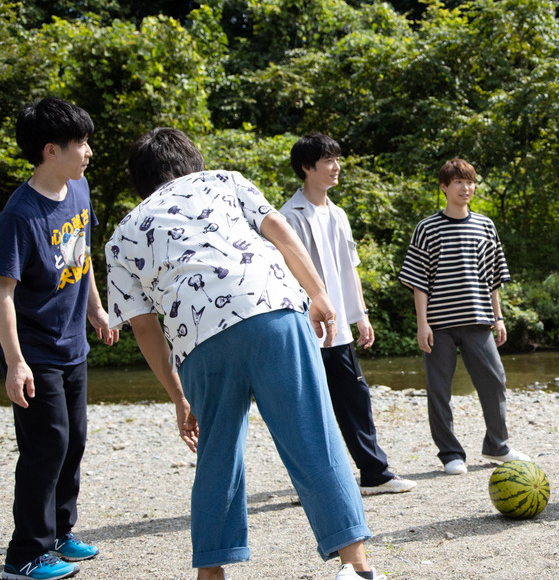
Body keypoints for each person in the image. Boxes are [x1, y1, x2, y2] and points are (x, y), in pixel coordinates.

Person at [104, 127, 380, 580]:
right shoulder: (224, 180)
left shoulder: (122, 236)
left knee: (217, 454)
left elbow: (144, 326)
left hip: (199, 340)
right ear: (192, 160)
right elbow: (281, 233)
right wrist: (319, 292)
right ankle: (356, 566)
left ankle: (211, 573)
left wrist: (178, 396)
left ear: (141, 180)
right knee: (313, 434)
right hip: (270, 309)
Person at [0, 97, 118, 580]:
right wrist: (14, 362)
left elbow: (82, 255)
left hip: (74, 346)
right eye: (81, 144)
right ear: (51, 151)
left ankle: (60, 534)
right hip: (36, 352)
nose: (89, 152)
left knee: (74, 441)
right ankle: (23, 555)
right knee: (46, 445)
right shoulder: (19, 215)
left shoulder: (79, 187)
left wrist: (97, 310)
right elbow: (3, 294)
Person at [280, 133, 415, 495]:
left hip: (337, 327)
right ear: (307, 168)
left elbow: (350, 268)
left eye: (337, 160)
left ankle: (374, 474)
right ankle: (315, 482)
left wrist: (362, 315)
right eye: (328, 161)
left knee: (355, 398)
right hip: (305, 328)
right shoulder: (286, 217)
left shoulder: (337, 213)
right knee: (307, 406)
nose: (337, 167)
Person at [398, 158, 529, 475]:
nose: (466, 187)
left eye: (469, 182)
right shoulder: (427, 228)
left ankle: (497, 445)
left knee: (494, 381)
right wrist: (422, 324)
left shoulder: (485, 225)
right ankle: (450, 454)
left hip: (479, 318)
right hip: (439, 325)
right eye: (458, 182)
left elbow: (493, 277)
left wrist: (498, 317)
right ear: (444, 187)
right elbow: (418, 280)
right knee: (439, 390)